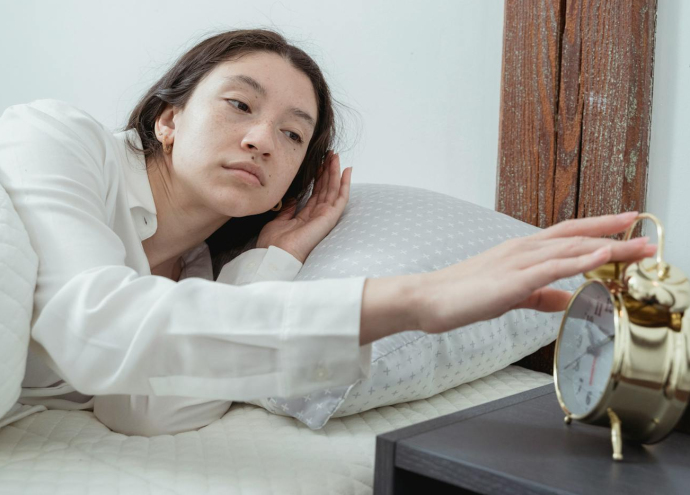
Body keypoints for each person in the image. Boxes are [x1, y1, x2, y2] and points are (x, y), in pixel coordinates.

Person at [0, 29, 656, 436]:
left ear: (294, 178)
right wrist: (416, 298)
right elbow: (94, 326)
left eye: (292, 134)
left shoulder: (201, 275)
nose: (261, 139)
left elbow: (141, 413)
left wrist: (271, 263)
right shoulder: (56, 138)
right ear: (168, 119)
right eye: (239, 105)